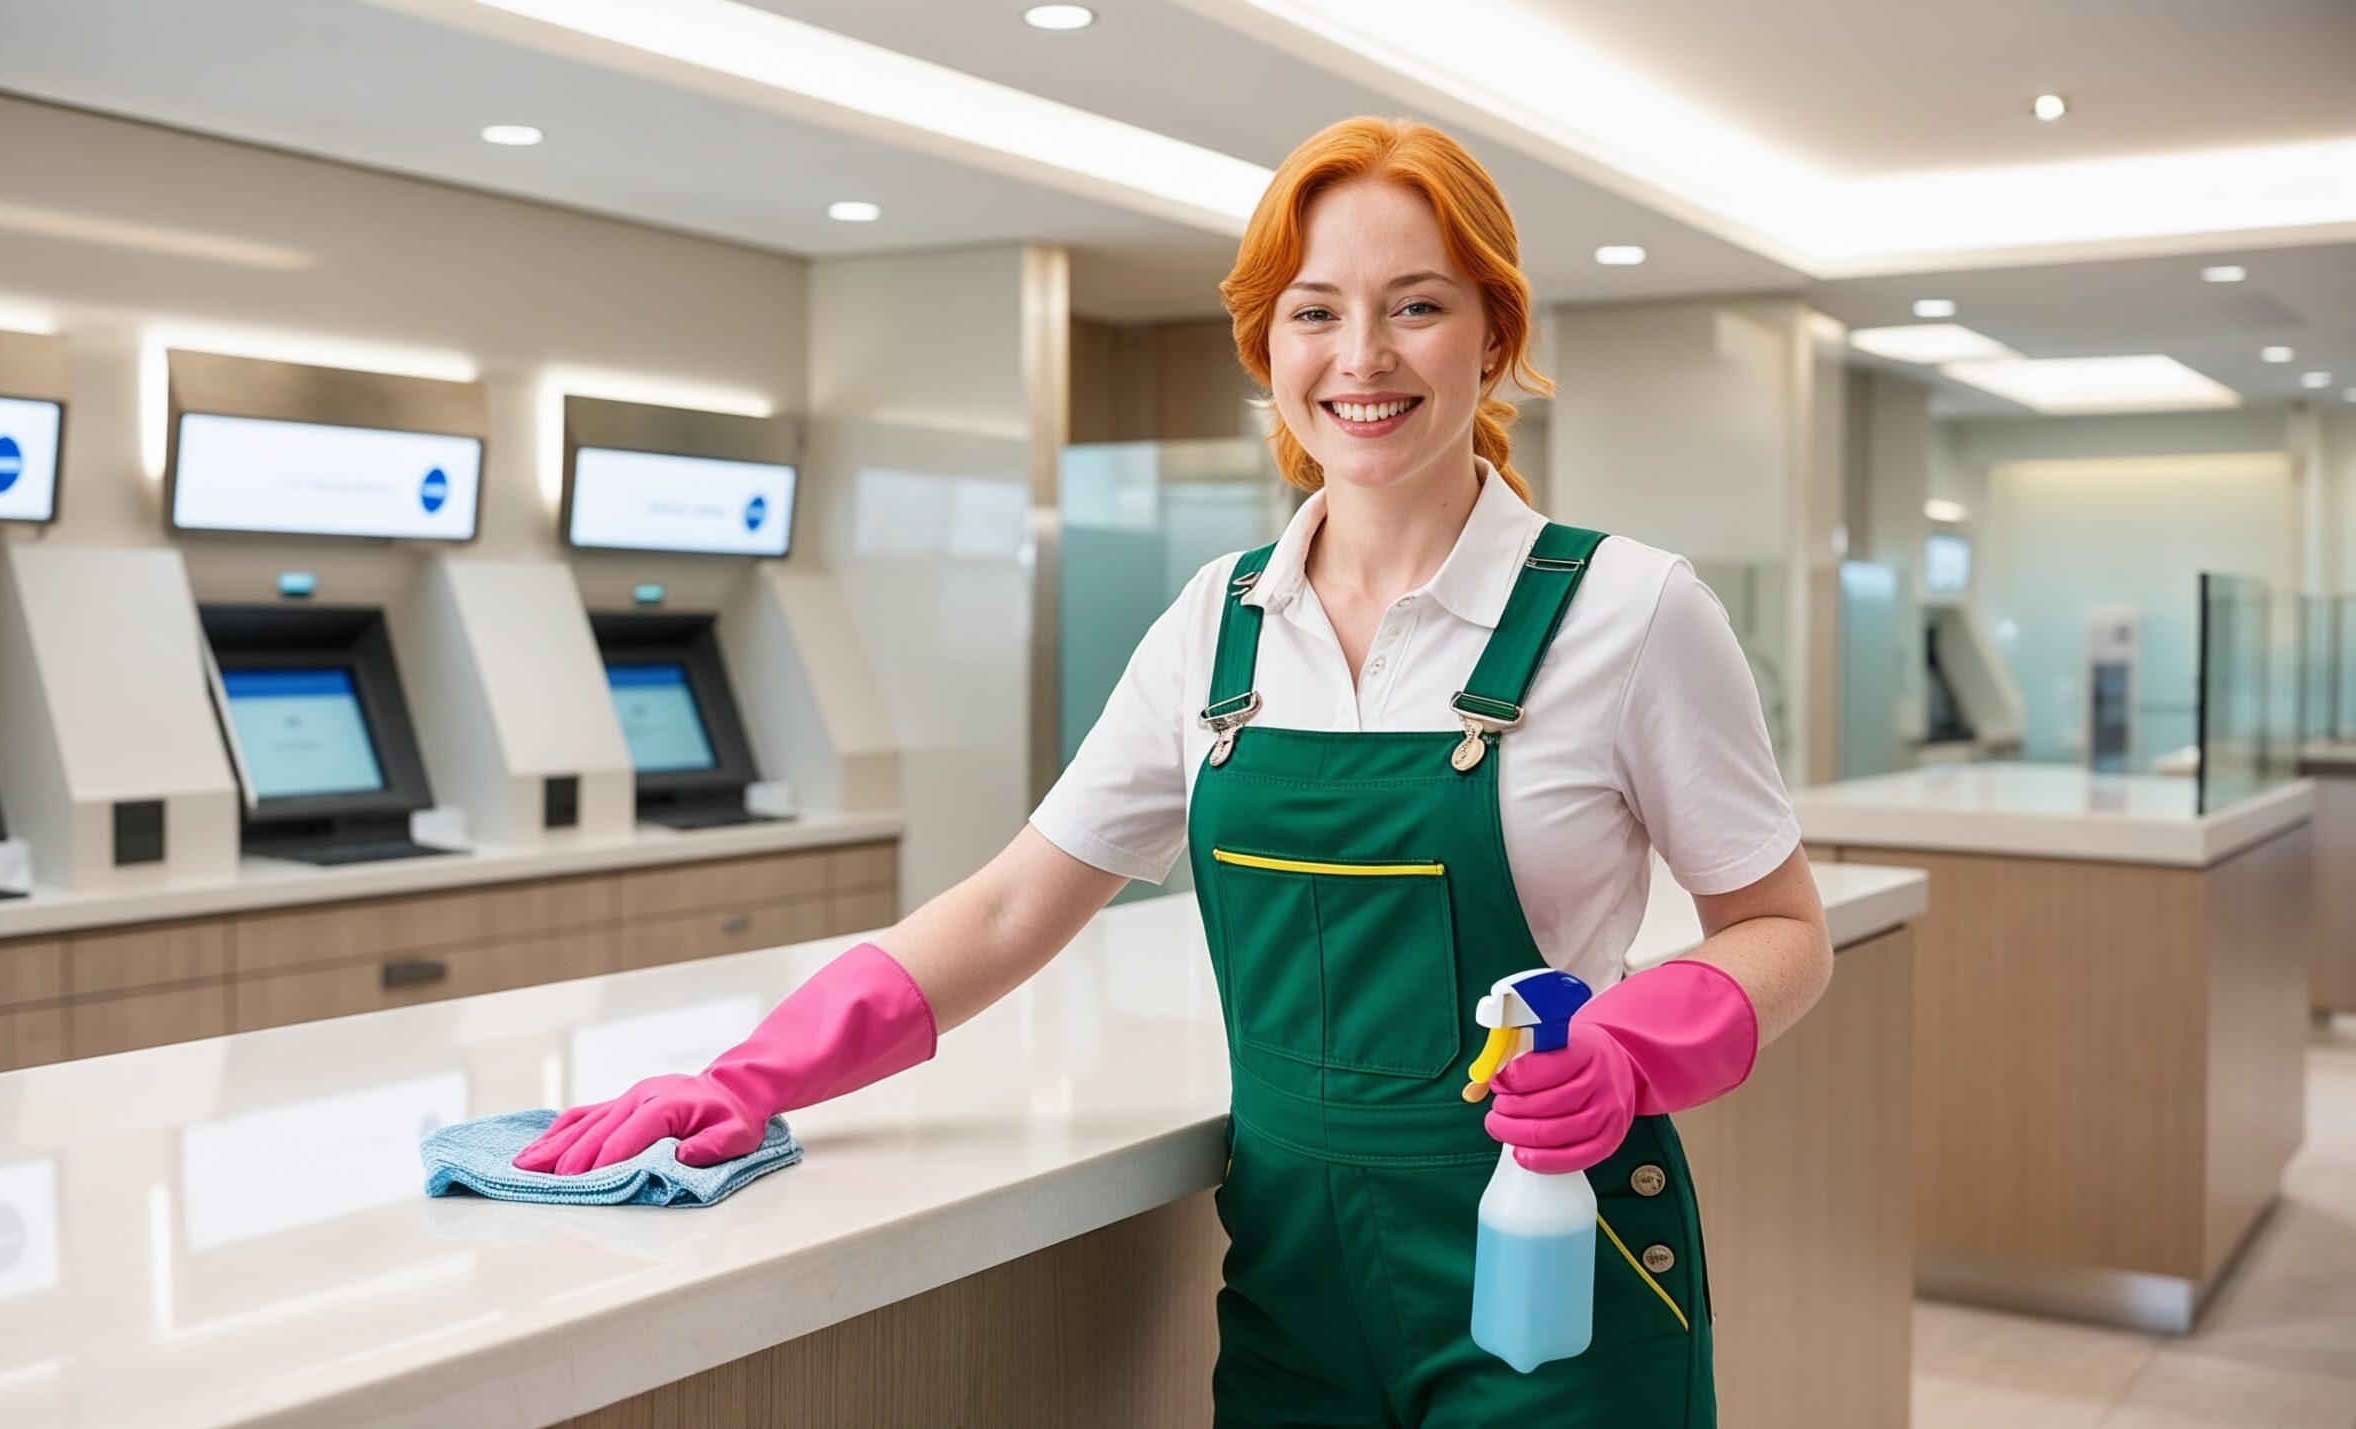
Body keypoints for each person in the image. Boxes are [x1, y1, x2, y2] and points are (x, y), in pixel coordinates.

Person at [515, 115, 1832, 1427]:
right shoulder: (1222, 622)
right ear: (1269, 347)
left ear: (1493, 333)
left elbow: (1780, 929)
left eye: (1415, 305)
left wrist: (1627, 1047)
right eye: (1316, 312)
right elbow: (1010, 904)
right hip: (1294, 1292)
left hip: (1552, 1273)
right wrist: (755, 1073)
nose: (1361, 357)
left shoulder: (1632, 611)